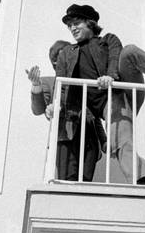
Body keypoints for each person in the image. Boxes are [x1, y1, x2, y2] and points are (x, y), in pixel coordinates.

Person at [55, 4, 145, 184]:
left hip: (122, 92)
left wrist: (110, 76)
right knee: (121, 137)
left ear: (90, 23)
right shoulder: (67, 53)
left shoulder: (108, 40)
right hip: (105, 106)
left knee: (129, 51)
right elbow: (62, 84)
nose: (72, 28)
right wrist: (55, 105)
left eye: (76, 23)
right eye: (69, 25)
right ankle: (141, 179)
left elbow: (115, 57)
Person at [26, 39, 105, 182]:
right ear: (56, 61)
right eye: (68, 54)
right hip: (66, 137)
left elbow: (94, 115)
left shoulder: (83, 83)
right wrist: (36, 85)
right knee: (68, 180)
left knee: (85, 182)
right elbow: (38, 109)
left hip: (90, 138)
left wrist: (103, 140)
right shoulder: (49, 82)